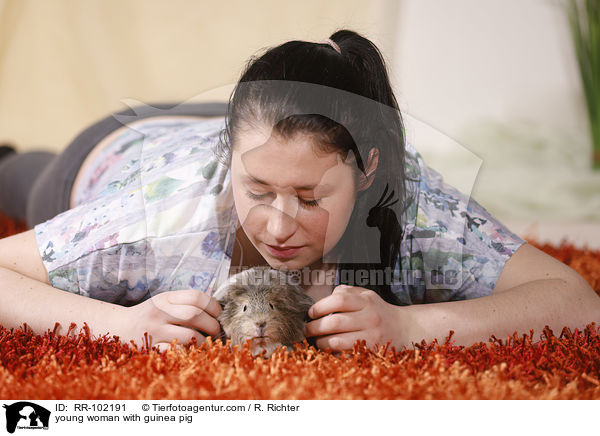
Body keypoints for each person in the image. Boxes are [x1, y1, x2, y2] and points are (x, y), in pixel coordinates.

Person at [0, 29, 598, 353]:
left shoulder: (416, 206)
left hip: (262, 126)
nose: (280, 227)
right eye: (256, 191)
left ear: (368, 172)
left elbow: (576, 303)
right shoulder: (161, 211)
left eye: (310, 198)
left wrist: (416, 327)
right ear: (230, 163)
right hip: (122, 149)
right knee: (22, 176)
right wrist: (119, 327)